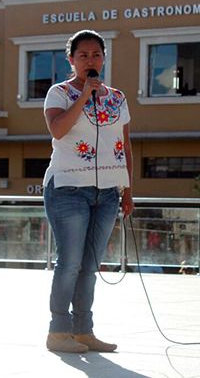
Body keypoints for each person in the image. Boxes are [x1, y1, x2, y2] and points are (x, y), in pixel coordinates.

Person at [42, 30, 134, 353]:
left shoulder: (117, 98)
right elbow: (58, 129)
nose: (90, 60)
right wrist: (84, 97)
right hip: (67, 188)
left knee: (91, 263)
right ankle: (58, 331)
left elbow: (124, 144)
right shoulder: (60, 93)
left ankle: (83, 331)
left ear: (104, 58)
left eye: (96, 54)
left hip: (107, 191)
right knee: (70, 262)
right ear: (71, 60)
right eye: (83, 55)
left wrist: (128, 189)